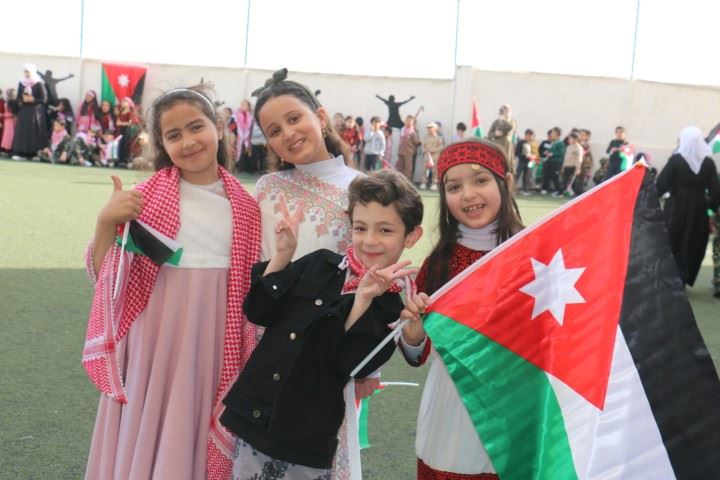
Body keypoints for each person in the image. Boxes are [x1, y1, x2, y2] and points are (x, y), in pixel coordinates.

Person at [82, 86, 261, 480]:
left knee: (194, 427)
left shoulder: (247, 208)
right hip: (153, 342)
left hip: (213, 342)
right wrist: (106, 221)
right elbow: (104, 277)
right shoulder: (144, 199)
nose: (188, 141)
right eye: (174, 135)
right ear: (162, 144)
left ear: (218, 128)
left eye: (196, 127)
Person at [221, 170, 424, 478]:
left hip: (304, 437)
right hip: (252, 412)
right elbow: (258, 310)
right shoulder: (320, 263)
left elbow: (347, 363)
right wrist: (282, 256)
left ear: (411, 236)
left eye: (385, 230)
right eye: (360, 228)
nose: (370, 240)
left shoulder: (390, 307)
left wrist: (361, 300)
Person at [250, 69, 381, 478]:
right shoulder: (267, 188)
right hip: (271, 343)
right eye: (274, 130)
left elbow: (374, 276)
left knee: (320, 455)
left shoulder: (363, 188)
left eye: (294, 119)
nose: (288, 133)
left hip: (332, 346)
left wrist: (370, 363)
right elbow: (258, 266)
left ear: (320, 117)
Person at [398, 139, 523, 479]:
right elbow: (417, 353)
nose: (468, 194)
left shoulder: (534, 252)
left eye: (480, 180)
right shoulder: (439, 263)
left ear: (505, 183)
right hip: (453, 403)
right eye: (454, 187)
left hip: (519, 401)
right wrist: (413, 333)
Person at [656, 126, 720, 287]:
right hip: (699, 209)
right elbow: (716, 191)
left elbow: (660, 185)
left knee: (673, 240)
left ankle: (672, 278)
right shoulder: (708, 163)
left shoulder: (676, 161)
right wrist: (711, 208)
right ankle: (684, 277)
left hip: (676, 207)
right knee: (694, 242)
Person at [12, 63, 48, 158]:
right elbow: (18, 97)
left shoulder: (39, 83)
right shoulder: (21, 83)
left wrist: (33, 99)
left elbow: (44, 99)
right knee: (22, 131)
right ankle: (21, 152)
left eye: (28, 72)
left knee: (34, 131)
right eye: (25, 72)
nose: (26, 74)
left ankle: (34, 153)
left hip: (35, 112)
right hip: (24, 111)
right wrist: (22, 100)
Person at [115, 97, 141, 166]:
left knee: (126, 145)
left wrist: (121, 123)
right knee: (120, 145)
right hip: (121, 131)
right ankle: (119, 160)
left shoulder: (130, 113)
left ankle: (125, 160)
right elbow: (117, 122)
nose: (122, 103)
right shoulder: (121, 112)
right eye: (122, 101)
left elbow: (132, 122)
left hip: (127, 131)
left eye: (125, 101)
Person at [555, 132, 582, 197]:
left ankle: (578, 194)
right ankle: (561, 192)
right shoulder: (569, 147)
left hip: (573, 166)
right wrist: (563, 167)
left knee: (574, 182)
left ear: (575, 139)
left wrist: (578, 169)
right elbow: (565, 158)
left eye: (571, 139)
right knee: (564, 180)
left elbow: (579, 159)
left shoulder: (578, 148)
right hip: (567, 166)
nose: (569, 140)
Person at [396, 115, 420, 181]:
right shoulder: (402, 129)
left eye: (410, 121)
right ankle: (400, 181)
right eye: (407, 121)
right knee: (400, 167)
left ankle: (408, 181)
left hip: (409, 151)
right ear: (405, 121)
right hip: (401, 151)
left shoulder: (413, 131)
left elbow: (416, 142)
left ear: (413, 122)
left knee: (408, 168)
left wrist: (415, 135)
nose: (408, 122)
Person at [422, 121, 444, 189]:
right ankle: (423, 183)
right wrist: (425, 151)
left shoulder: (438, 137)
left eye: (431, 128)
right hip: (427, 155)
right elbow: (423, 145)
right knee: (425, 170)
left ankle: (434, 183)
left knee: (435, 170)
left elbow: (440, 147)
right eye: (428, 128)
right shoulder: (425, 137)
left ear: (435, 128)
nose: (429, 129)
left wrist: (433, 150)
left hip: (435, 155)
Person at [235, 99, 254, 171]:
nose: (242, 106)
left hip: (247, 138)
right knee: (238, 151)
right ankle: (238, 166)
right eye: (241, 104)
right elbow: (231, 126)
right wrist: (235, 133)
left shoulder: (251, 117)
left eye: (244, 104)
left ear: (248, 107)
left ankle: (245, 168)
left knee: (246, 152)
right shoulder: (235, 115)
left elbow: (251, 128)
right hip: (237, 137)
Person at [1, 88, 17, 153]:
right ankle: (9, 148)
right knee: (10, 134)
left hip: (8, 120)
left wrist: (3, 115)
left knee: (8, 134)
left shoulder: (7, 102)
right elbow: (12, 113)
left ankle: (7, 148)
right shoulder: (11, 102)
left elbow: (9, 113)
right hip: (10, 120)